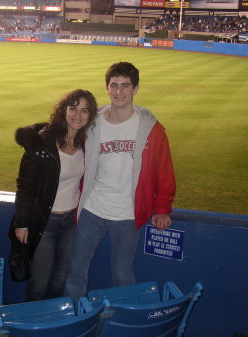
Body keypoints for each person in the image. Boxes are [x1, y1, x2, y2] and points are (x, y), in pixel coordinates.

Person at [64, 62, 176, 301]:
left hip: (127, 215)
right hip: (92, 210)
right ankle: (72, 322)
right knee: (75, 272)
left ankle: (124, 324)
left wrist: (162, 208)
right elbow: (66, 139)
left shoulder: (151, 129)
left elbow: (164, 171)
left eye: (125, 85)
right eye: (114, 85)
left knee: (123, 275)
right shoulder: (92, 123)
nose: (119, 91)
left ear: (135, 89)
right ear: (107, 88)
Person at [10, 89, 98, 301]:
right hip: (44, 223)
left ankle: (53, 325)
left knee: (60, 280)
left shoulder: (86, 144)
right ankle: (31, 328)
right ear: (64, 110)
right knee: (40, 283)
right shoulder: (42, 143)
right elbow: (25, 186)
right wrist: (22, 223)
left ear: (90, 115)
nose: (77, 115)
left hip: (70, 224)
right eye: (73, 108)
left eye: (84, 110)